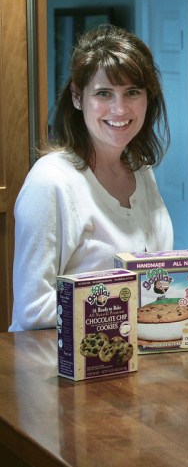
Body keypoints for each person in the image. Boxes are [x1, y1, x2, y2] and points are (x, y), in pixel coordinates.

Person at [10, 25, 174, 331]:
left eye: (132, 92)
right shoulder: (51, 181)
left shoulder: (140, 170)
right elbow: (33, 309)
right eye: (103, 93)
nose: (120, 108)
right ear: (76, 96)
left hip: (127, 355)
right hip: (56, 365)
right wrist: (132, 299)